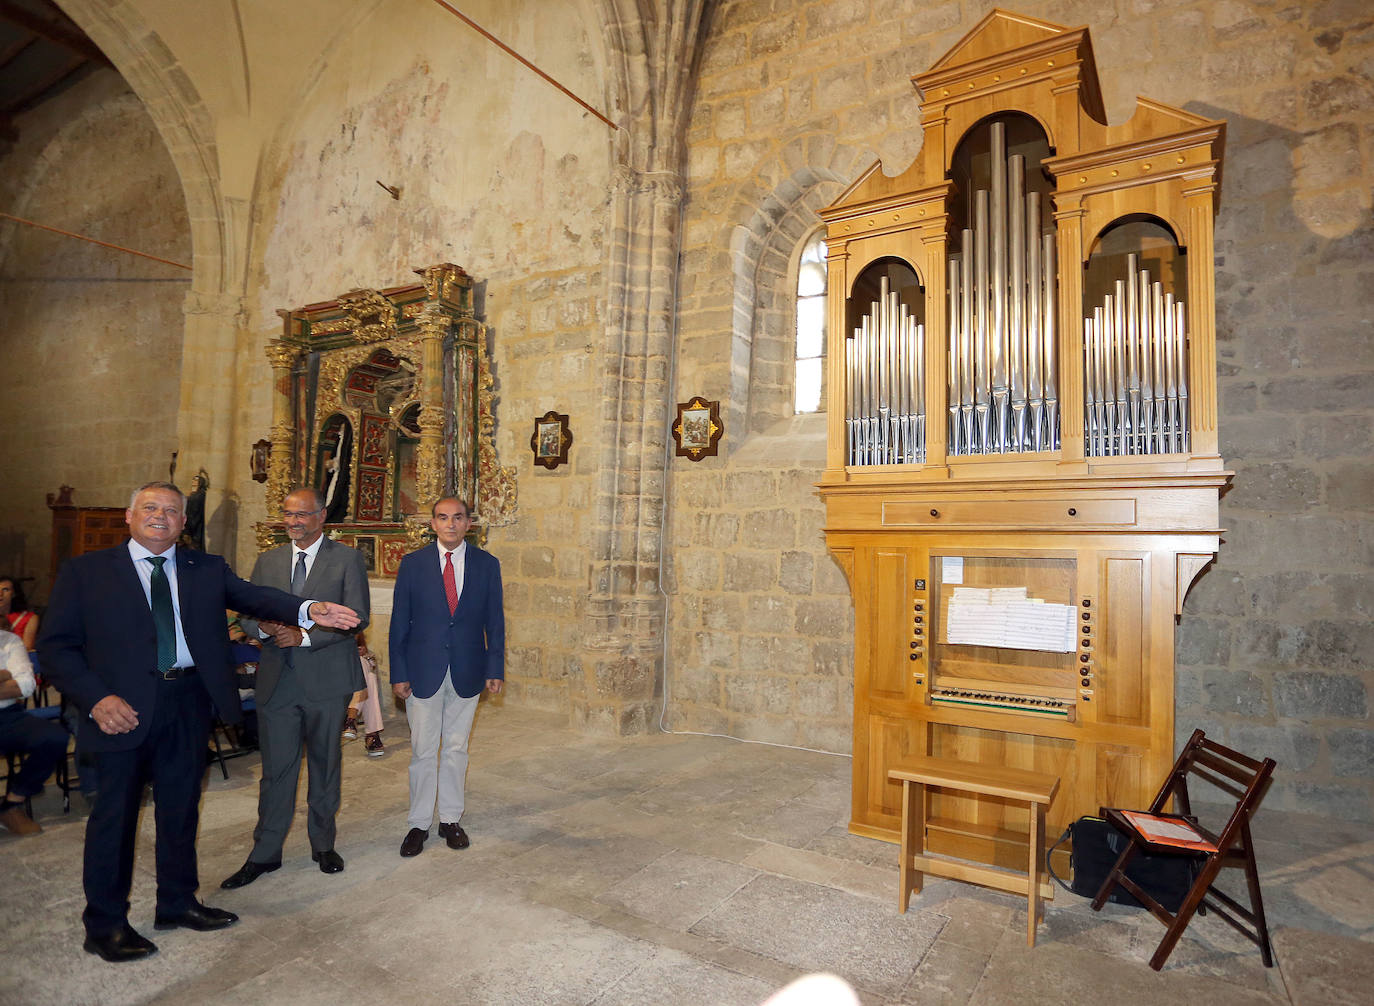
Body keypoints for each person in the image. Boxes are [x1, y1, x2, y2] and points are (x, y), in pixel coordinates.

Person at [38, 481, 361, 964]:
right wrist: (97, 699)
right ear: (129, 515)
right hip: (119, 711)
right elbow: (55, 647)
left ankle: (177, 902)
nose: (161, 516)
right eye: (150, 507)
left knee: (180, 812)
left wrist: (307, 609)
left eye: (171, 510)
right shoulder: (87, 572)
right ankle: (104, 926)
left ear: (183, 522)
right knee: (115, 821)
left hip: (188, 703)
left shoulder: (204, 568)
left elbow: (255, 596)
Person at [220, 488, 369, 889]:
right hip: (277, 682)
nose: (293, 522)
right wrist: (263, 628)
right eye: (287, 514)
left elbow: (357, 618)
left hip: (326, 680)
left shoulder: (347, 559)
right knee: (276, 772)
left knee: (324, 765)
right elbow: (247, 614)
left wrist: (303, 637)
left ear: (321, 516)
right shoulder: (268, 560)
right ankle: (265, 854)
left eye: (301, 515)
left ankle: (323, 844)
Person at [389, 497, 503, 857]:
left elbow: (495, 622)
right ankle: (418, 824)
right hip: (422, 670)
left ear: (469, 523)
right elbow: (398, 623)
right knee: (423, 750)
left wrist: (495, 668)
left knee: (456, 748)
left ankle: (451, 819)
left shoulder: (487, 565)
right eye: (443, 518)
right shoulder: (413, 564)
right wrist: (399, 671)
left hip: (468, 669)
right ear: (433, 523)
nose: (450, 524)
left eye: (458, 518)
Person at [0, 627, 68, 835]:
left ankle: (12, 803)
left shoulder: (9, 640)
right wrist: (4, 675)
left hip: (7, 715)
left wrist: (11, 679)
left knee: (54, 737)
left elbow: (26, 685)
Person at [342, 632, 386, 756]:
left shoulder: (355, 630)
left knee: (367, 671)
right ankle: (372, 734)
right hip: (331, 672)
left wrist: (365, 655)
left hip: (354, 675)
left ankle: (351, 718)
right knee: (367, 675)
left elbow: (371, 663)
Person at [0, 575, 39, 650]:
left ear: (14, 594)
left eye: (5, 590)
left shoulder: (29, 618)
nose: (0, 594)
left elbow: (27, 648)